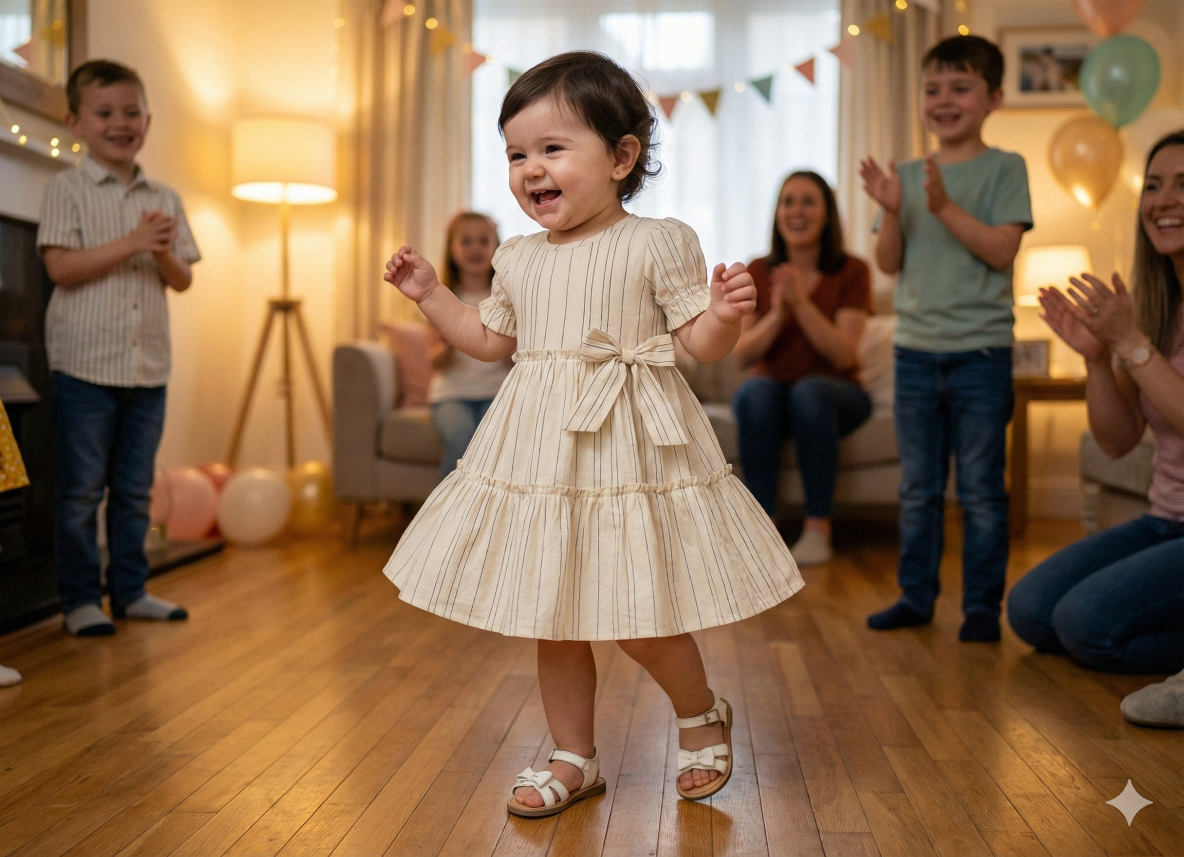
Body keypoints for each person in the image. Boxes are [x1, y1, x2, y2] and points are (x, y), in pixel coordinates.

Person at [382, 51, 803, 816]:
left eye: (551, 148)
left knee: (638, 607)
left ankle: (700, 709)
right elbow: (486, 341)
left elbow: (697, 346)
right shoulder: (516, 258)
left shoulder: (657, 240)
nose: (530, 168)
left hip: (627, 443)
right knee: (555, 608)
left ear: (621, 156)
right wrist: (432, 295)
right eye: (516, 153)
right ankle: (575, 754)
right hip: (541, 445)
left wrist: (727, 313)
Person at [860, 35, 1032, 642]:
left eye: (960, 88)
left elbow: (1002, 250)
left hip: (981, 355)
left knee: (982, 490)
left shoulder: (1004, 168)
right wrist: (892, 205)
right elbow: (888, 263)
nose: (943, 100)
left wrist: (939, 207)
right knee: (918, 490)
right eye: (933, 89)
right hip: (915, 355)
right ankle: (917, 597)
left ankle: (982, 608)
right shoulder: (905, 174)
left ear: (993, 99)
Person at [1007, 131, 1184, 716]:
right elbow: (1118, 440)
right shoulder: (1158, 304)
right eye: (1154, 185)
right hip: (1166, 521)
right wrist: (1096, 359)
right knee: (1031, 609)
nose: (1163, 199)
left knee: (1087, 626)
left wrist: (1130, 343)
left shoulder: (1140, 324)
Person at [37, 60, 200, 637]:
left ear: (147, 121)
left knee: (133, 490)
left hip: (146, 368)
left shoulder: (165, 196)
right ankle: (81, 600)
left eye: (131, 112)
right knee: (81, 491)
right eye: (105, 113)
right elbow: (60, 267)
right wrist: (131, 241)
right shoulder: (67, 188)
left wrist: (156, 251)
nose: (120, 123)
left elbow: (182, 278)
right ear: (75, 122)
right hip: (84, 366)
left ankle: (130, 591)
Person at [732, 171, 873, 565]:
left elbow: (843, 355)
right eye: (788, 201)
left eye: (809, 201)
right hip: (771, 394)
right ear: (777, 214)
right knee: (758, 392)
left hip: (836, 394)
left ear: (828, 214)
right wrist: (779, 311)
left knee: (809, 391)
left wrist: (802, 304)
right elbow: (742, 355)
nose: (797, 211)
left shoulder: (852, 270)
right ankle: (763, 529)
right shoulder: (758, 269)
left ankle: (817, 530)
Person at [427, 212, 511, 479]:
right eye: (466, 241)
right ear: (451, 249)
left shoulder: (507, 298)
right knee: (461, 433)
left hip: (497, 391)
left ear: (496, 248)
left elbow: (514, 359)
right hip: (451, 394)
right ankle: (446, 516)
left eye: (483, 241)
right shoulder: (441, 298)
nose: (475, 248)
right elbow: (434, 362)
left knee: (494, 438)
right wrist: (451, 340)